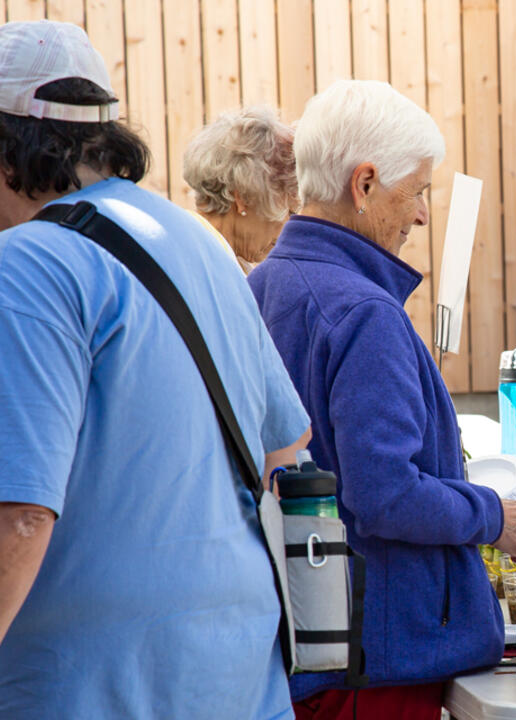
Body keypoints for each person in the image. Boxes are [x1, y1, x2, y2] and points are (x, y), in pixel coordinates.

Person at [0, 20, 310, 719]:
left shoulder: (26, 264)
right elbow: (286, 447)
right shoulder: (194, 239)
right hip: (236, 668)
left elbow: (20, 516)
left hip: (89, 682)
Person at [248, 79, 516, 719]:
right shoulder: (362, 311)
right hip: (374, 658)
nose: (420, 213)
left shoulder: (266, 281)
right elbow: (385, 495)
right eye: (417, 191)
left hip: (308, 639)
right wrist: (494, 515)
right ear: (363, 185)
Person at [182, 105, 299, 273]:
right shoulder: (201, 262)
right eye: (289, 211)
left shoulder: (218, 255)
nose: (288, 226)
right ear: (244, 197)